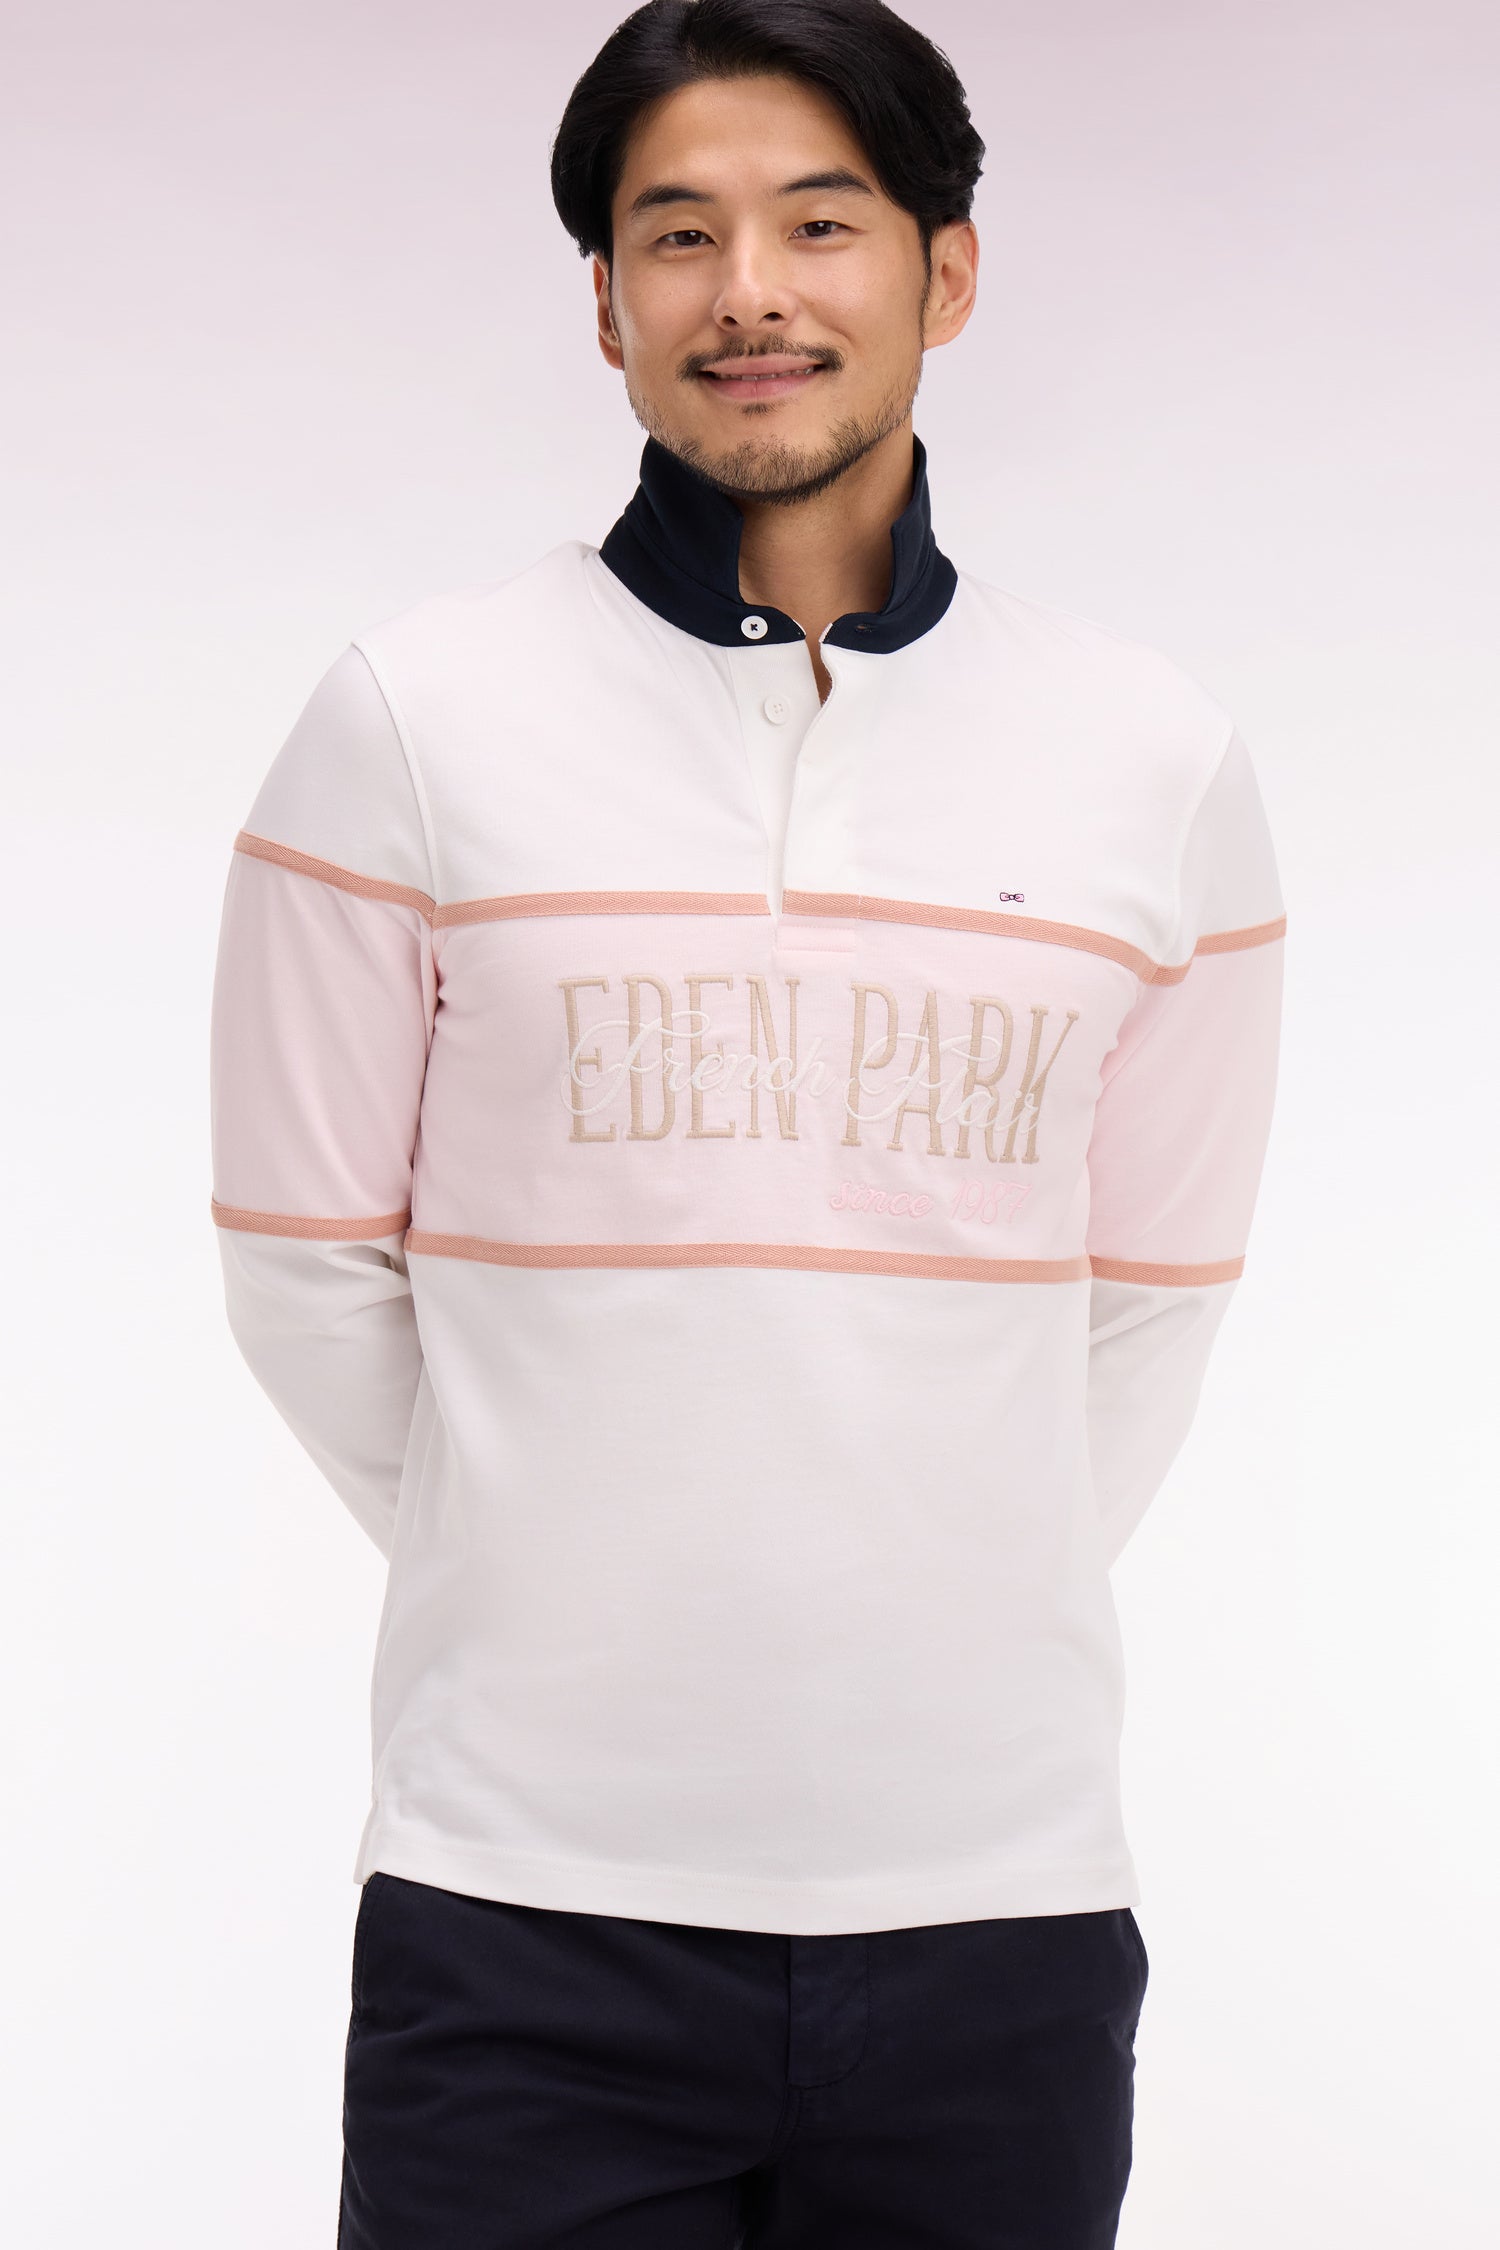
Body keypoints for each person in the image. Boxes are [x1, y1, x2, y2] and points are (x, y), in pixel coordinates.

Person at [207, 2, 1286, 2242]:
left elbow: (1152, 1300)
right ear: (604, 302)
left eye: (820, 223)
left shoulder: (1151, 758)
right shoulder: (410, 720)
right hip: (522, 1916)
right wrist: (560, 1542)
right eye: (677, 234)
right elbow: (304, 1269)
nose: (749, 293)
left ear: (945, 273)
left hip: (998, 1915)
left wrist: (924, 1570)